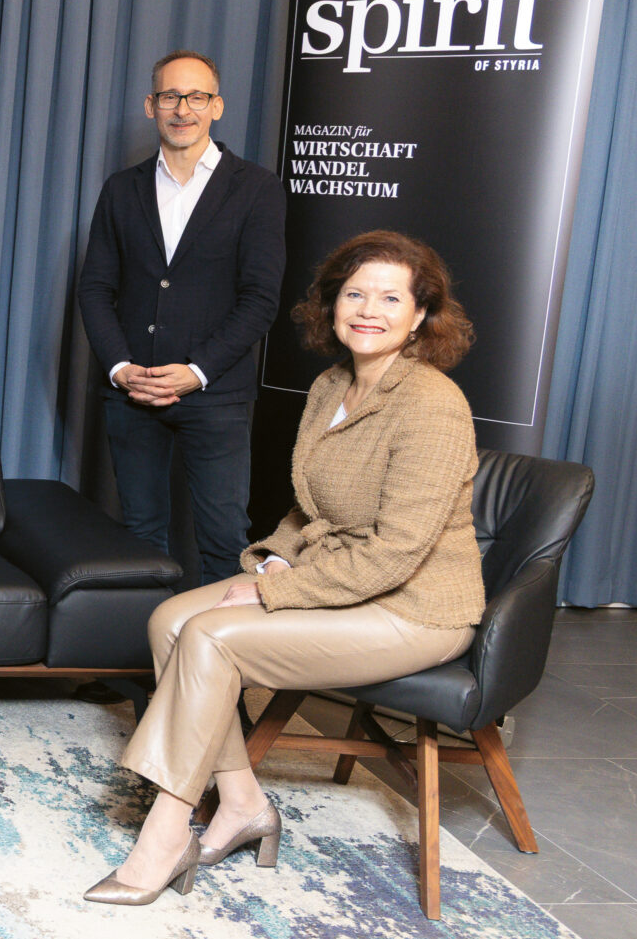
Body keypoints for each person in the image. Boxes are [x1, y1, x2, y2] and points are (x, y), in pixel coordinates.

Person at [85, 230, 483, 905]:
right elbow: (310, 509)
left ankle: (165, 833)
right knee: (169, 619)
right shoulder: (330, 385)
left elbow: (397, 552)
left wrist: (276, 593)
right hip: (338, 576)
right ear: (331, 305)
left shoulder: (433, 404)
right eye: (354, 294)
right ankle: (243, 804)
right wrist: (273, 561)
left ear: (420, 315)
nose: (368, 310)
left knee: (209, 635)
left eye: (391, 298)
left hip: (414, 608)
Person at [76, 50, 286, 584]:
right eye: (171, 96)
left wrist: (196, 371)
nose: (183, 109)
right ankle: (146, 641)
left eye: (196, 96)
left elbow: (260, 298)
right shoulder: (121, 188)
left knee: (223, 538)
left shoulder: (256, 188)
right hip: (134, 391)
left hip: (215, 393)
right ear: (152, 105)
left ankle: (215, 641)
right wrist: (120, 369)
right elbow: (95, 288)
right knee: (139, 538)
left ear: (217, 105)